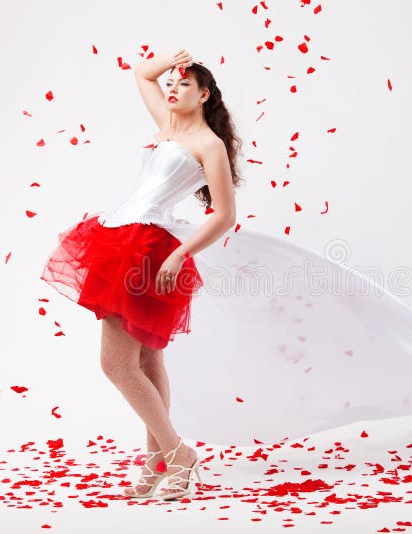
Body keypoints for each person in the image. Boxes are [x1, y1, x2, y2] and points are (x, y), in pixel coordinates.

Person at [40, 48, 241, 500]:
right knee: (147, 361)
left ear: (204, 94)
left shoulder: (209, 145)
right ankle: (158, 464)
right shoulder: (168, 124)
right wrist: (174, 59)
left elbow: (224, 214)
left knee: (116, 363)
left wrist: (180, 254)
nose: (171, 87)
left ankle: (177, 454)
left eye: (183, 83)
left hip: (149, 249)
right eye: (171, 82)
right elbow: (142, 74)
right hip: (118, 237)